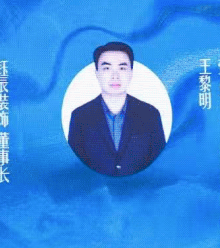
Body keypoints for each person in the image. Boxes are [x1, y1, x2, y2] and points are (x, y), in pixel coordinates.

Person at [68, 42, 165, 177]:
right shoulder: (80, 116)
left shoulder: (150, 114)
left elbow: (160, 164)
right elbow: (75, 167)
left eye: (122, 68)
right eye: (107, 68)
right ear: (97, 73)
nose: (115, 76)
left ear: (131, 73)